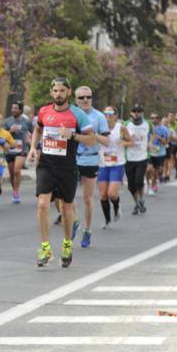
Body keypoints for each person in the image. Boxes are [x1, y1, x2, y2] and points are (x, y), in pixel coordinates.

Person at [27, 77, 95, 268]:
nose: (58, 94)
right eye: (55, 91)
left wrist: (72, 135)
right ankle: (46, 249)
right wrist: (33, 148)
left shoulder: (78, 114)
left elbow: (91, 140)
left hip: (67, 166)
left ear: (69, 92)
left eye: (62, 91)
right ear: (51, 92)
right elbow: (38, 129)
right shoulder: (44, 111)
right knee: (42, 204)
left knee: (66, 208)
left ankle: (66, 244)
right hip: (46, 164)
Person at [72, 86, 109, 248]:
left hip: (90, 159)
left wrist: (94, 135)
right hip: (72, 159)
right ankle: (75, 220)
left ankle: (87, 230)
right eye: (81, 97)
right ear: (76, 100)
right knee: (65, 196)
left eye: (88, 97)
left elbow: (107, 141)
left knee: (87, 198)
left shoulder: (99, 116)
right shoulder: (70, 114)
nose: (85, 100)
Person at [98, 106, 130, 229]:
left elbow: (131, 141)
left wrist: (124, 143)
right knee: (103, 194)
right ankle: (107, 221)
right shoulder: (99, 128)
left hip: (117, 164)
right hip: (103, 163)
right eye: (105, 113)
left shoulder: (121, 128)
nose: (108, 116)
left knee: (111, 193)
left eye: (111, 113)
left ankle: (117, 206)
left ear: (116, 115)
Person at [3, 101, 33, 204]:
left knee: (17, 170)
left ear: (20, 110)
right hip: (10, 150)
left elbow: (34, 132)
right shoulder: (7, 121)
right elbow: (2, 135)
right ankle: (15, 191)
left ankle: (16, 191)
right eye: (12, 108)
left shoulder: (26, 121)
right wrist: (10, 131)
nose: (13, 110)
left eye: (15, 108)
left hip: (22, 149)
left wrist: (30, 140)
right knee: (12, 174)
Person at [124, 104, 150, 215]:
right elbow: (121, 138)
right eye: (134, 111)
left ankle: (141, 199)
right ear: (131, 113)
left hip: (142, 157)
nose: (136, 113)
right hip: (129, 158)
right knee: (131, 186)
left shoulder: (147, 124)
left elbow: (152, 135)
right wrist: (127, 142)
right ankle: (137, 203)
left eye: (139, 111)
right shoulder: (126, 124)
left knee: (139, 181)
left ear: (142, 113)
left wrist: (150, 143)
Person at [146, 113, 169, 196]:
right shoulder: (147, 127)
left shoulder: (164, 129)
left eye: (156, 118)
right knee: (148, 170)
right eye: (152, 118)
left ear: (159, 119)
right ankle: (148, 186)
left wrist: (158, 137)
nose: (154, 119)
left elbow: (165, 142)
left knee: (156, 172)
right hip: (149, 152)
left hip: (159, 153)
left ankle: (153, 185)